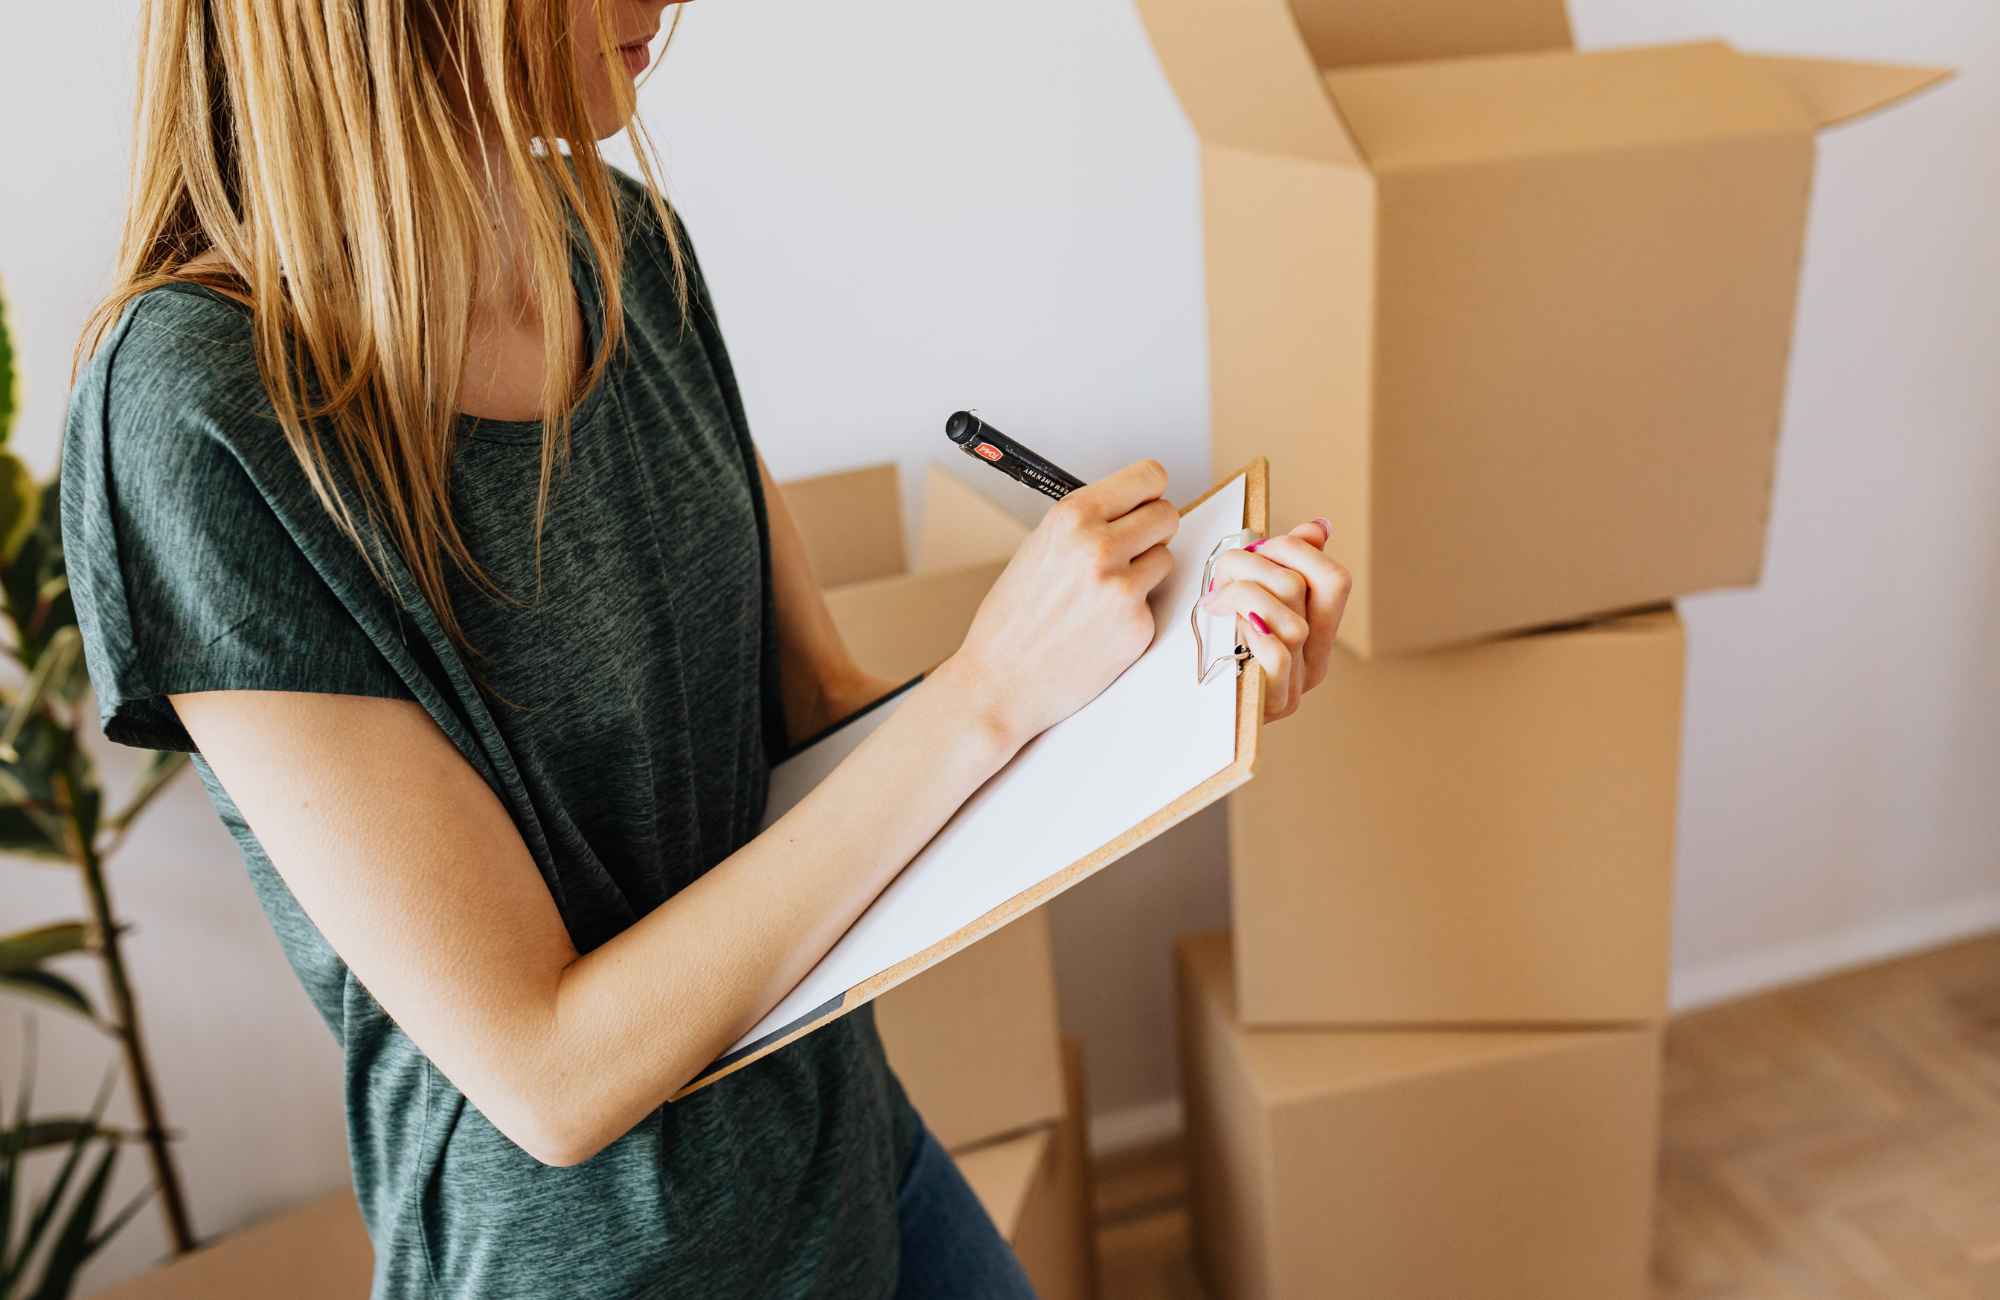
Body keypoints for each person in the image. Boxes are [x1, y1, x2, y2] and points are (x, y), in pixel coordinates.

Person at [59, 1, 1350, 1296]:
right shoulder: (199, 412)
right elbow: (547, 1074)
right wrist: (990, 692)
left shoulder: (622, 243)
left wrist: (1169, 670)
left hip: (852, 1161)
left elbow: (828, 731)